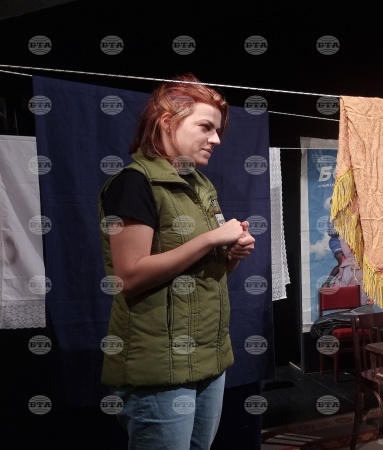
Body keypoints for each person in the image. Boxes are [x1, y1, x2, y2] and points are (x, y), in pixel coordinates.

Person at [98, 74, 255, 450]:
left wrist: (230, 256)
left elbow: (208, 274)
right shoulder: (134, 183)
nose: (216, 140)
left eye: (217, 130)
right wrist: (211, 238)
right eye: (206, 127)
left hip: (209, 358)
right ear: (168, 122)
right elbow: (129, 277)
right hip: (160, 368)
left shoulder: (201, 186)